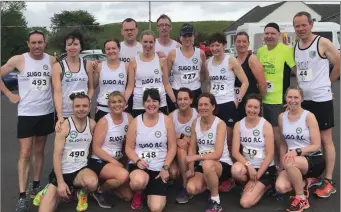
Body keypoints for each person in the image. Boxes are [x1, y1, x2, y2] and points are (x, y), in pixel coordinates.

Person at [0, 30, 57, 212]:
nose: (37, 46)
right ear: (28, 43)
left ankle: (36, 185)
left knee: (39, 151)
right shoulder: (19, 60)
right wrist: (9, 94)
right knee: (25, 153)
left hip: (46, 112)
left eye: (40, 42)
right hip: (26, 114)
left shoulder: (51, 60)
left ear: (44, 43)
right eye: (33, 42)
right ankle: (22, 195)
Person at [293, 11, 340, 197]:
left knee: (326, 139)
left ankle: (328, 181)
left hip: (321, 99)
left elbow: (339, 63)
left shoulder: (322, 42)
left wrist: (328, 82)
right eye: (297, 26)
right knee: (311, 140)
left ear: (311, 25)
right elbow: (299, 70)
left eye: (304, 25)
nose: (301, 29)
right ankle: (315, 175)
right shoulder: (296, 46)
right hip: (306, 101)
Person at [35, 94, 98, 212]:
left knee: (93, 183)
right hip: (62, 173)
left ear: (89, 108)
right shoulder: (64, 126)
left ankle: (81, 191)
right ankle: (48, 189)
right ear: (72, 108)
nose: (81, 109)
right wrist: (60, 182)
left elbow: (92, 149)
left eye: (84, 106)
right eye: (77, 106)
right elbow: (56, 155)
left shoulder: (92, 124)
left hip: (80, 171)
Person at [125, 89, 176, 211]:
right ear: (143, 104)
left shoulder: (166, 120)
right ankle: (139, 192)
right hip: (140, 166)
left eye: (154, 101)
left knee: (156, 208)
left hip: (159, 167)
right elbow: (128, 147)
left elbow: (172, 147)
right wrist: (137, 161)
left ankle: (150, 190)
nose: (151, 104)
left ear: (159, 103)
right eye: (148, 101)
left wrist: (165, 167)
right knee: (138, 181)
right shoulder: (136, 121)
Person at [275, 86, 325, 212]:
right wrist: (281, 165)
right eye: (290, 97)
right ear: (285, 98)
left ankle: (301, 198)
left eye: (296, 97)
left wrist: (297, 151)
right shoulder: (282, 117)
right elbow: (282, 143)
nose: (293, 100)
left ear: (302, 99)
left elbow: (316, 145)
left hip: (313, 158)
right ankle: (304, 182)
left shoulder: (309, 116)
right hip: (291, 160)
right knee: (280, 187)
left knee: (289, 160)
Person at [256, 22, 296, 166]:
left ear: (279, 35)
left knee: (278, 137)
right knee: (265, 136)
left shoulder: (285, 50)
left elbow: (296, 72)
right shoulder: (260, 52)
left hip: (278, 101)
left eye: (273, 33)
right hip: (262, 100)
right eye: (267, 33)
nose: (269, 36)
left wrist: (292, 97)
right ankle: (271, 165)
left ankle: (282, 167)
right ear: (263, 36)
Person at [185, 93, 233, 212]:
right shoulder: (195, 123)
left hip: (221, 164)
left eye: (206, 104)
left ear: (213, 107)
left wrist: (196, 157)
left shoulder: (220, 124)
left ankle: (215, 201)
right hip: (204, 165)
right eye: (200, 105)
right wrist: (191, 168)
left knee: (208, 164)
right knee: (191, 188)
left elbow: (217, 154)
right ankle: (213, 184)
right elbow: (192, 147)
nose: (203, 107)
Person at [88, 91, 133, 208]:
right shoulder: (104, 121)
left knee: (128, 196)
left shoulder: (129, 118)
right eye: (113, 102)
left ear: (125, 103)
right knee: (123, 176)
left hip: (117, 162)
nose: (117, 104)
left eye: (120, 101)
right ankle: (99, 190)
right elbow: (96, 148)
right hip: (100, 160)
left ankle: (109, 185)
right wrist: (115, 162)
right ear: (109, 105)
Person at [231, 94, 276, 208]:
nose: (252, 110)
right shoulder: (238, 125)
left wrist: (256, 178)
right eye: (249, 106)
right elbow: (235, 152)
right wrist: (249, 166)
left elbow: (270, 154)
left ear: (260, 109)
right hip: (249, 167)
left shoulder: (266, 125)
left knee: (245, 203)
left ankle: (265, 186)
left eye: (255, 107)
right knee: (235, 170)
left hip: (264, 168)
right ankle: (248, 185)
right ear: (245, 107)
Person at [124, 30, 176, 118]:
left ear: (154, 43)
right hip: (140, 104)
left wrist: (175, 101)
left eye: (151, 42)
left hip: (159, 103)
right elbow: (130, 86)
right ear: (140, 42)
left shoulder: (161, 60)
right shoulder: (133, 61)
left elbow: (166, 84)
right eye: (145, 42)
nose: (148, 45)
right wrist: (123, 101)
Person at [52, 30, 94, 132]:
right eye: (69, 44)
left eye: (75, 44)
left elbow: (91, 88)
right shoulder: (58, 66)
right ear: (65, 47)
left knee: (85, 143)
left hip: (83, 112)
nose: (72, 47)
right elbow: (57, 92)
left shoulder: (87, 64)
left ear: (81, 46)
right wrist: (60, 116)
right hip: (66, 113)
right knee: (63, 145)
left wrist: (85, 101)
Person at [167, 23, 208, 112]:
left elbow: (203, 73)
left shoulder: (201, 53)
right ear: (180, 37)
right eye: (184, 36)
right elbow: (165, 77)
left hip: (195, 92)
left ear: (194, 36)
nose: (187, 38)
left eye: (190, 35)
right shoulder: (172, 54)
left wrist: (196, 83)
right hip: (177, 92)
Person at [168, 87, 198, 203]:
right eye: (179, 99)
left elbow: (198, 139)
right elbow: (167, 137)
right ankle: (183, 177)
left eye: (186, 99)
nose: (182, 102)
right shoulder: (172, 116)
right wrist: (179, 139)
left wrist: (182, 138)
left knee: (182, 148)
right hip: (174, 150)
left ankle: (185, 187)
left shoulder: (197, 115)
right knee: (174, 173)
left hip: (194, 150)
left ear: (191, 100)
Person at [234, 31, 267, 120]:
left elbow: (262, 84)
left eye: (244, 42)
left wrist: (259, 99)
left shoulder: (252, 59)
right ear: (235, 43)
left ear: (248, 43)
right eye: (238, 41)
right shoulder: (233, 60)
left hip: (250, 103)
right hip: (237, 101)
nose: (241, 44)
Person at [94, 39, 128, 122]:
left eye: (113, 48)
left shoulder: (126, 66)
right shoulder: (99, 66)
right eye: (108, 49)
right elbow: (93, 86)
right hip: (103, 108)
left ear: (119, 49)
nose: (111, 51)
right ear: (104, 51)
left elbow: (130, 86)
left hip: (121, 108)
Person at [155, 14, 181, 110]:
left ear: (170, 27)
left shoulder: (178, 46)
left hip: (174, 87)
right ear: (157, 28)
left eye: (166, 25)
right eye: (161, 25)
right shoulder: (151, 44)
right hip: (157, 87)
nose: (164, 27)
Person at [119, 18, 143, 114]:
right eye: (126, 30)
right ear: (122, 31)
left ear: (136, 30)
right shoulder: (117, 48)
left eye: (132, 29)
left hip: (139, 90)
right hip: (121, 89)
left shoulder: (143, 47)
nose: (129, 32)